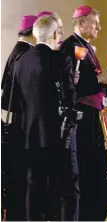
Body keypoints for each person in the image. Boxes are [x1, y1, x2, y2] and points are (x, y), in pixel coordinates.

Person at [14, 14, 77, 221]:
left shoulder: (21, 61)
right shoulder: (61, 60)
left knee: (34, 186)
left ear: (34, 34)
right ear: (56, 34)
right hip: (55, 134)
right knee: (65, 189)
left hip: (29, 135)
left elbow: (13, 101)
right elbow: (69, 98)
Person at [59, 5, 107, 220]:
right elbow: (70, 84)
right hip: (81, 117)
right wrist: (97, 81)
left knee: (95, 167)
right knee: (86, 167)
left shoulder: (87, 47)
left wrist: (105, 84)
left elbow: (92, 81)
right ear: (81, 23)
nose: (99, 28)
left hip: (94, 116)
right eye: (95, 23)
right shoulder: (70, 46)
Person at [1, 14, 37, 221]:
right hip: (23, 126)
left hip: (13, 124)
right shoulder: (27, 55)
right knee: (22, 181)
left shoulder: (16, 52)